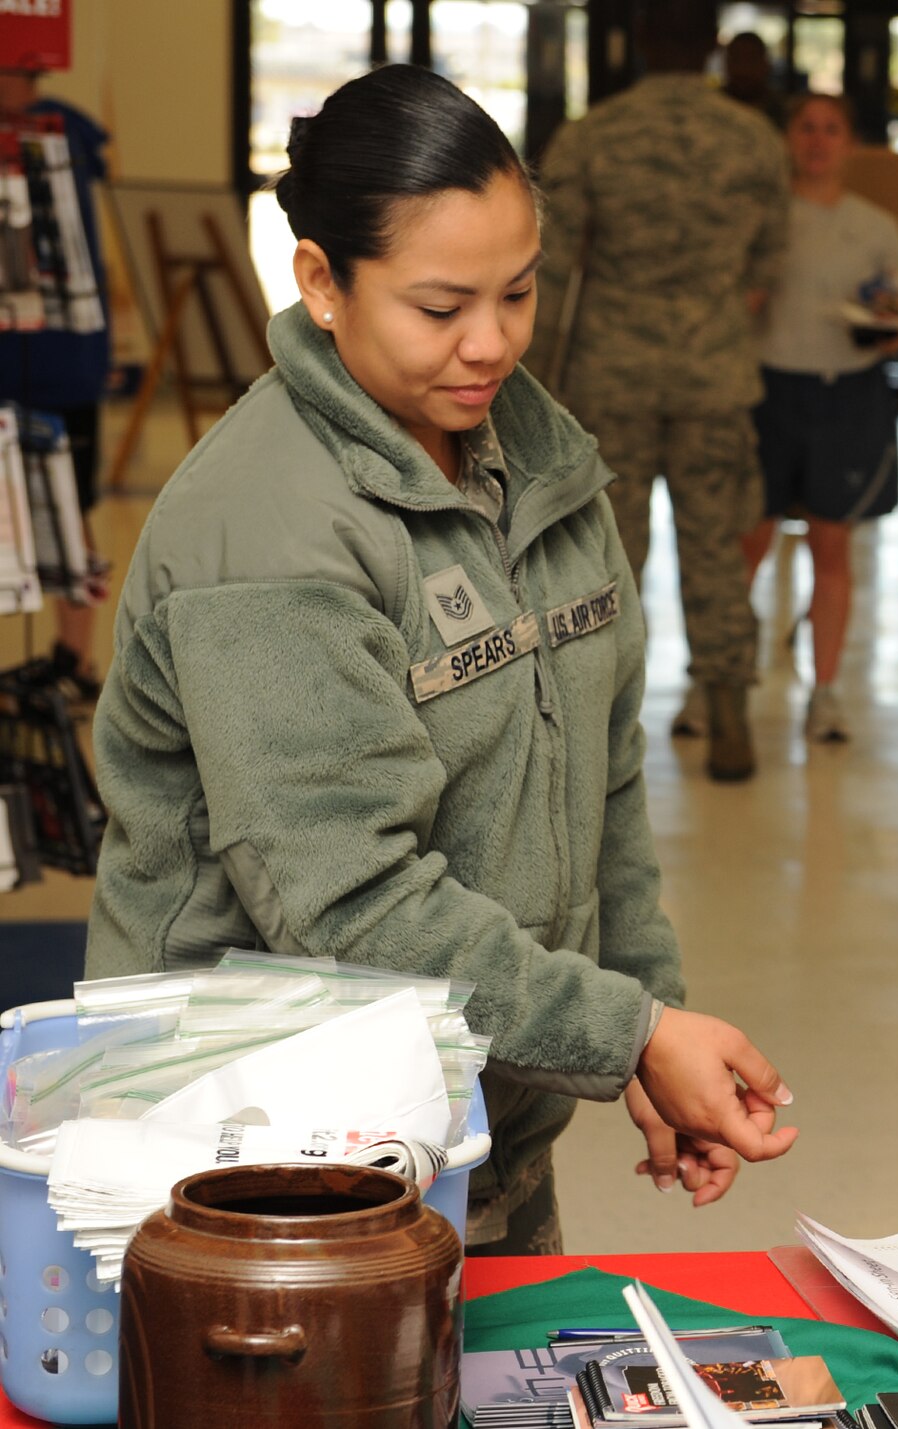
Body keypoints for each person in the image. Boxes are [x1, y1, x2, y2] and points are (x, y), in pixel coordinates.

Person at [84, 65, 798, 1257]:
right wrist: (624, 1033)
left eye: (517, 293)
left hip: (480, 1126)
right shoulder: (269, 534)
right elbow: (348, 905)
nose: (491, 343)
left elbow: (601, 783)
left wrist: (650, 1021)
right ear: (320, 280)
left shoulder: (534, 454)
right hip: (261, 1174)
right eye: (439, 306)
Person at [535, 0, 789, 781]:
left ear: (642, 43)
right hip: (714, 375)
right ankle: (729, 716)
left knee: (610, 555)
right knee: (717, 544)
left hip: (611, 377)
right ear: (713, 45)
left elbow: (549, 269)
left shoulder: (591, 137)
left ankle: (597, 730)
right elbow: (767, 265)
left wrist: (534, 387)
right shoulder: (754, 140)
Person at [743, 93, 898, 744]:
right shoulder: (764, 220)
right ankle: (721, 684)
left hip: (845, 397)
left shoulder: (876, 226)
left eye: (832, 129)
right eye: (807, 127)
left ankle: (826, 691)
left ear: (850, 143)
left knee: (831, 545)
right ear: (788, 137)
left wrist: (886, 325)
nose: (818, 140)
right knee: (747, 541)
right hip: (766, 393)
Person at [0, 69, 111, 696]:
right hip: (14, 358)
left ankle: (75, 660)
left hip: (62, 363)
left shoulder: (62, 132)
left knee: (73, 513)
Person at [722, 31, 788, 129]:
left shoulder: (782, 111)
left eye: (750, 60)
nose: (743, 69)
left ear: (765, 65)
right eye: (736, 59)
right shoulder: (712, 107)